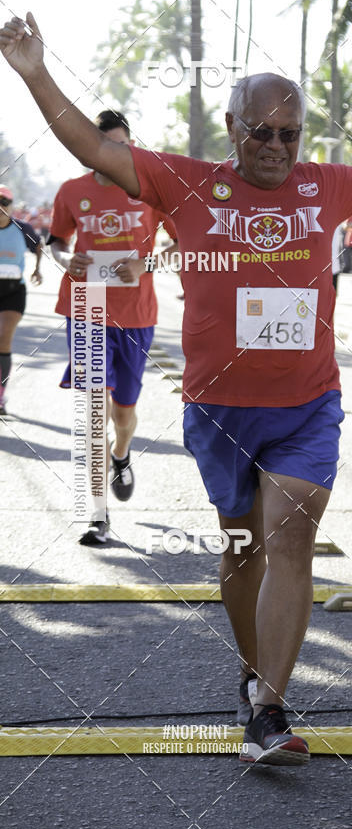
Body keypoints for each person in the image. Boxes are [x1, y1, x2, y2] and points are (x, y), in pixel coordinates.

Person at [0, 12, 352, 766]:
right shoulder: (188, 182)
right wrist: (34, 70)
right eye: (261, 133)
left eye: (290, 134)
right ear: (234, 126)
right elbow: (93, 147)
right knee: (241, 551)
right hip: (219, 409)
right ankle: (253, 671)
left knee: (291, 537)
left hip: (307, 404)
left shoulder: (330, 186)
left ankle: (269, 707)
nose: (276, 148)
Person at [48, 110, 177, 546]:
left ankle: (122, 454)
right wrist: (68, 261)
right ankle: (96, 514)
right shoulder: (72, 192)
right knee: (92, 413)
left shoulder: (152, 190)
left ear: (131, 146)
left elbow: (183, 241)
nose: (112, 156)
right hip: (87, 305)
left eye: (121, 146)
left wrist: (147, 263)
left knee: (122, 414)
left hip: (136, 313)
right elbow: (56, 242)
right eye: (104, 148)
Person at [0, 184, 43, 417]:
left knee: (3, 340)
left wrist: (37, 270)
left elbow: (39, 245)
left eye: (4, 202)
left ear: (11, 206)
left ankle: (0, 394)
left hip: (13, 292)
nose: (0, 207)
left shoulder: (21, 227)